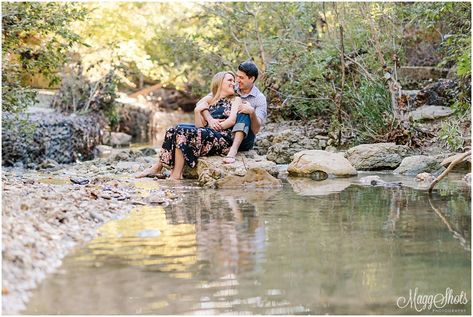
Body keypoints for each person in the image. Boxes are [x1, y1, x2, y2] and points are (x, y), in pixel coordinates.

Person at [137, 71, 242, 180]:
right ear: (219, 83)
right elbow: (199, 126)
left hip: (222, 139)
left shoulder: (235, 99)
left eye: (234, 81)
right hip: (208, 135)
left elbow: (232, 121)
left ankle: (176, 175)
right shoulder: (210, 100)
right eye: (230, 80)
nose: (233, 83)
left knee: (182, 131)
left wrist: (212, 125)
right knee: (173, 130)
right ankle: (158, 167)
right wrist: (199, 112)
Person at [198, 61, 267, 163]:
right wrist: (210, 119)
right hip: (224, 135)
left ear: (252, 79)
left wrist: (252, 112)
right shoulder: (231, 86)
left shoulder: (259, 98)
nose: (237, 80)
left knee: (244, 110)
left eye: (241, 78)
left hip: (245, 139)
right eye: (237, 76)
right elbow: (201, 103)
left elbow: (256, 130)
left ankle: (233, 150)